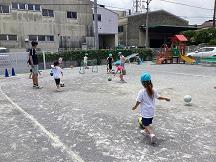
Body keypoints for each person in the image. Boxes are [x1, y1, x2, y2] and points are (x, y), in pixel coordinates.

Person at [132, 73, 170, 144]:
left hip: (145, 112)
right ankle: (145, 131)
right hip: (152, 111)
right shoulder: (153, 90)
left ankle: (152, 134)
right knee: (148, 123)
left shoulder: (141, 92)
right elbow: (158, 97)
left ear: (142, 83)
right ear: (150, 81)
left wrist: (135, 107)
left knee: (145, 124)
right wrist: (165, 98)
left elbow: (138, 101)